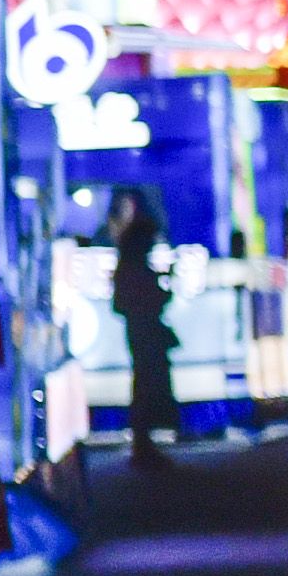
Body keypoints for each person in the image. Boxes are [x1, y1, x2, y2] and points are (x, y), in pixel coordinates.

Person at [108, 191, 178, 468]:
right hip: (144, 333)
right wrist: (162, 286)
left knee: (143, 386)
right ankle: (143, 445)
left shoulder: (127, 267)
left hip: (138, 333)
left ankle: (143, 444)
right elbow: (148, 300)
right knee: (146, 386)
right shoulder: (136, 268)